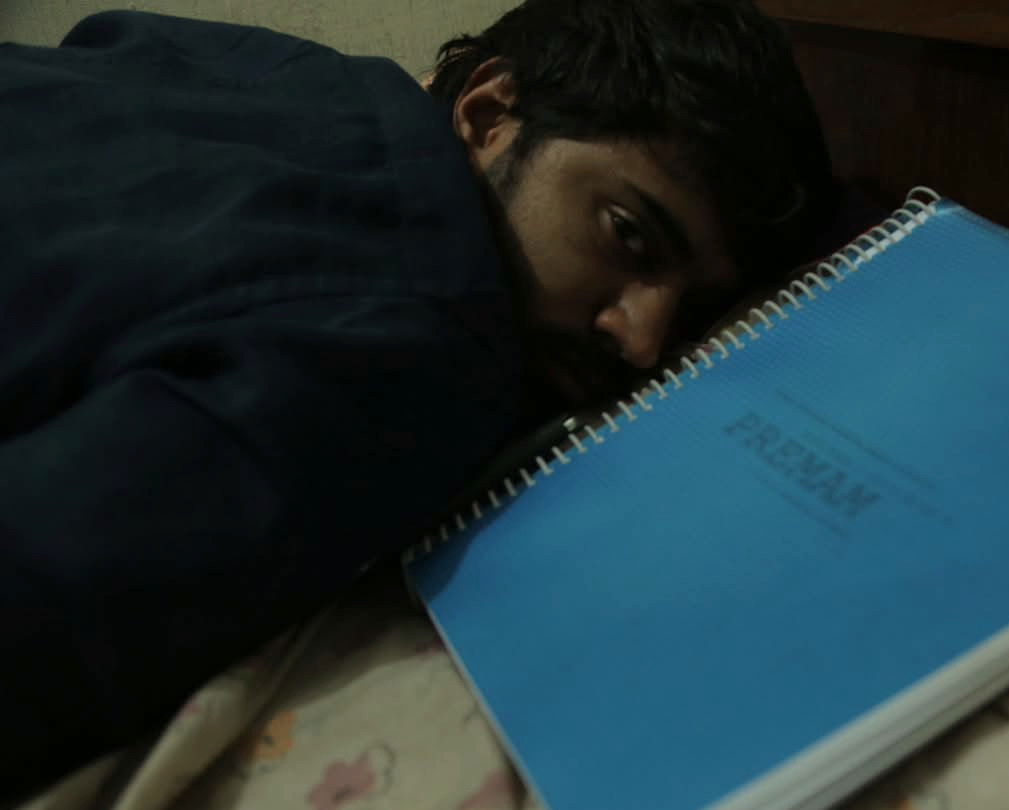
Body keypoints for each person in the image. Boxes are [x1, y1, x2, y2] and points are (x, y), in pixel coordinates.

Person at [0, 0, 833, 798]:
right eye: (628, 233)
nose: (643, 341)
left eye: (688, 312)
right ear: (488, 114)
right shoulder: (426, 340)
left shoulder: (271, 66)